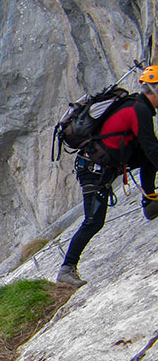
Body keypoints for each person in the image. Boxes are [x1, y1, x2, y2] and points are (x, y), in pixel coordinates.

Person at [57, 65, 158, 287]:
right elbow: (150, 147)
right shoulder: (138, 110)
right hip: (94, 170)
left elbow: (148, 150)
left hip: (99, 165)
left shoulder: (135, 106)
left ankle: (150, 202)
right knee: (93, 221)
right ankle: (66, 270)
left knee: (149, 156)